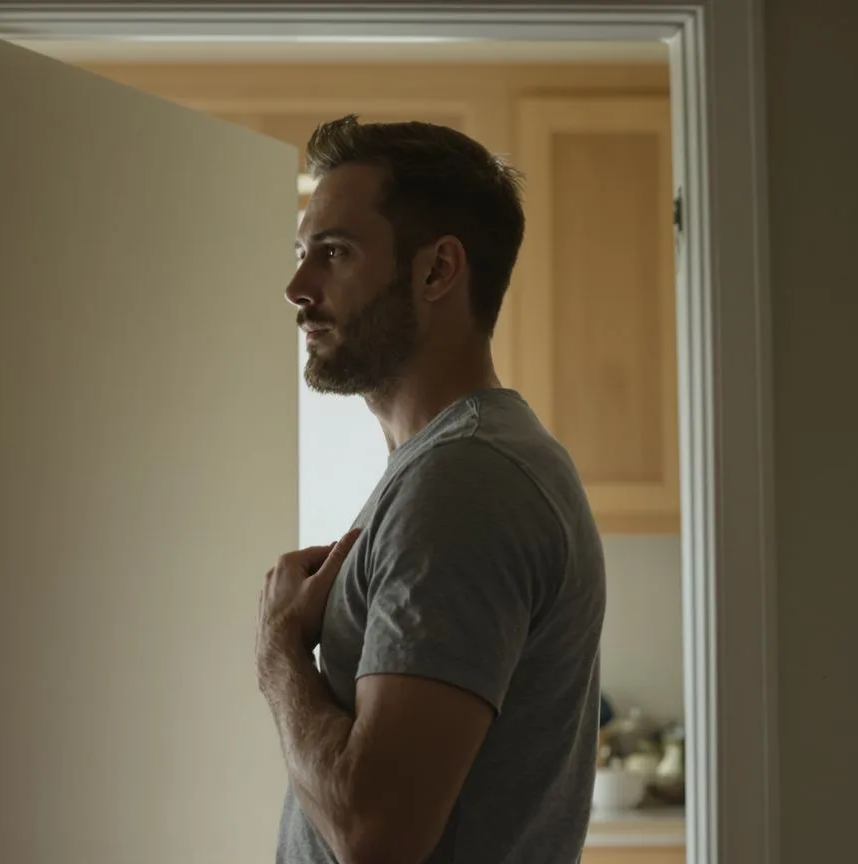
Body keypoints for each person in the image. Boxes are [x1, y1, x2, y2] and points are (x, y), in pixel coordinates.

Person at [255, 115, 607, 864]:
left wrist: (279, 653)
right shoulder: (453, 464)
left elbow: (374, 835)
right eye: (300, 253)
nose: (297, 287)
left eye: (334, 253)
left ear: (438, 270)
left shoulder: (464, 481)